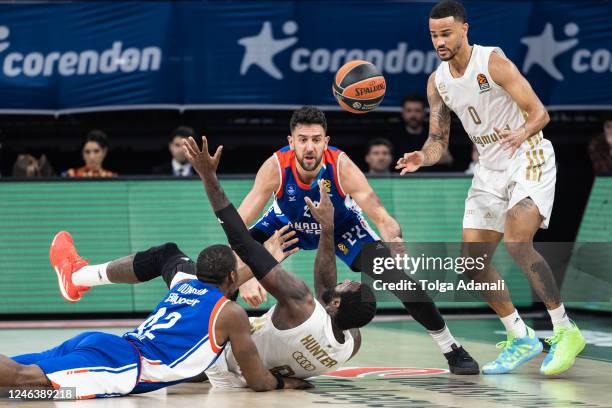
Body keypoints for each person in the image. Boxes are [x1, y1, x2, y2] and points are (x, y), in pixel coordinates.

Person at [49, 136, 375, 386]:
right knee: (224, 283)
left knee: (171, 256)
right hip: (219, 368)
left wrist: (209, 177)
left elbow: (242, 240)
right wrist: (324, 231)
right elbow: (328, 290)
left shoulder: (303, 302)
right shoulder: (349, 345)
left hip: (217, 348)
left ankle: (77, 277)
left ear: (332, 304)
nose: (343, 281)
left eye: (347, 285)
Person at [396, 0, 585, 375]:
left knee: (517, 240)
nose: (440, 41)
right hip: (489, 169)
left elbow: (540, 113)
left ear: (465, 29)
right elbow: (438, 139)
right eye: (434, 35)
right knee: (471, 263)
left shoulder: (492, 62)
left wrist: (521, 132)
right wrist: (423, 156)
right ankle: (521, 335)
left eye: (446, 33)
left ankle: (565, 330)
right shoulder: (438, 82)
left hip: (527, 154)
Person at [236, 106, 478, 374]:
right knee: (231, 266)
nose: (309, 148)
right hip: (289, 225)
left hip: (342, 226)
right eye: (302, 140)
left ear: (326, 142)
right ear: (291, 142)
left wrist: (394, 238)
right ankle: (206, 341)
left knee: (400, 281)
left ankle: (451, 348)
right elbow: (238, 223)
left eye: (316, 140)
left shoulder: (342, 166)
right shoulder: (275, 167)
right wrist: (246, 275)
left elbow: (381, 216)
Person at [0, 230, 312, 398]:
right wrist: (286, 384)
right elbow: (258, 380)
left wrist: (263, 259)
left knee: (16, 374)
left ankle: (78, 277)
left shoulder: (185, 282)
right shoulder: (230, 313)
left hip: (110, 349)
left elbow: (171, 256)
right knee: (21, 383)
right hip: (119, 365)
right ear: (232, 280)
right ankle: (77, 277)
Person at [389, 93, 453, 168]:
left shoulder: (435, 134)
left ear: (424, 113)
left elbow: (447, 160)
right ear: (403, 113)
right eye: (409, 111)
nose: (413, 115)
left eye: (417, 111)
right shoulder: (394, 135)